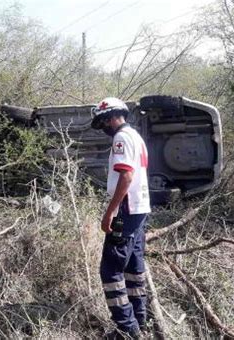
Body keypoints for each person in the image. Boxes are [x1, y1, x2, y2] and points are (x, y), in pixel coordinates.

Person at [91, 97, 151, 339]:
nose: (103, 127)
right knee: (134, 269)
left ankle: (127, 330)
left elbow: (125, 177)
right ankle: (140, 320)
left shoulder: (121, 138)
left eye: (102, 122)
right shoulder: (136, 136)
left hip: (126, 210)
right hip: (140, 209)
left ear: (110, 117)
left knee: (111, 271)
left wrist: (110, 211)